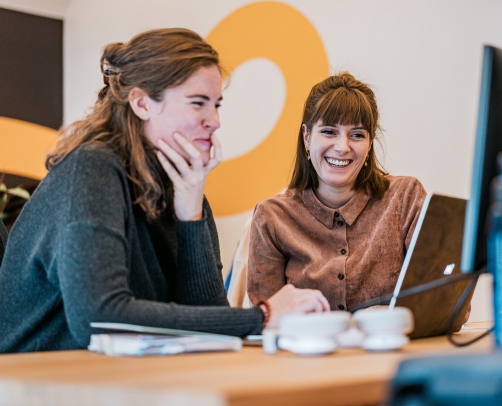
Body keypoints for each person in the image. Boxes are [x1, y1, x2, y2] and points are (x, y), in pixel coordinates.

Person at [0, 28, 329, 353]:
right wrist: (262, 316)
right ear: (142, 104)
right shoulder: (92, 169)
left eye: (216, 105)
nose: (214, 120)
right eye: (198, 103)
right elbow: (100, 319)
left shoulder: (184, 186)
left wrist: (190, 217)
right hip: (34, 384)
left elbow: (209, 320)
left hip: (117, 380)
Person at [247, 72, 427, 312]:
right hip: (309, 350)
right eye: (329, 131)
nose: (342, 147)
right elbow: (265, 321)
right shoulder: (272, 217)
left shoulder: (406, 197)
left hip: (392, 349)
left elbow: (446, 305)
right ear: (307, 136)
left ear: (370, 143)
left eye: (357, 135)